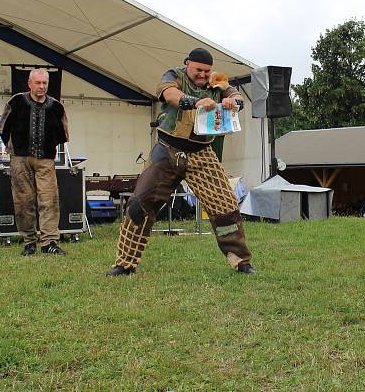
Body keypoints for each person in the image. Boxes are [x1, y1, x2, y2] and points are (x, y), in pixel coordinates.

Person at [107, 48, 255, 276]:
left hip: (202, 153)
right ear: (187, 64)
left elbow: (236, 95)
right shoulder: (173, 75)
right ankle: (125, 264)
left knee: (226, 207)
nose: (203, 75)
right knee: (140, 204)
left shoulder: (218, 80)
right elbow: (170, 95)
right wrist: (194, 102)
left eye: (207, 71)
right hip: (168, 150)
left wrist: (233, 103)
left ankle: (241, 261)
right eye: (198, 70)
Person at [0, 68, 69, 256]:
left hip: (45, 160)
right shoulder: (16, 101)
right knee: (23, 201)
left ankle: (49, 243)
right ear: (29, 83)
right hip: (20, 160)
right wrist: (15, 150)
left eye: (44, 83)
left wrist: (48, 148)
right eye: (37, 83)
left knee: (49, 200)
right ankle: (29, 241)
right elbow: (3, 129)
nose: (41, 86)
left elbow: (62, 134)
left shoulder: (56, 107)